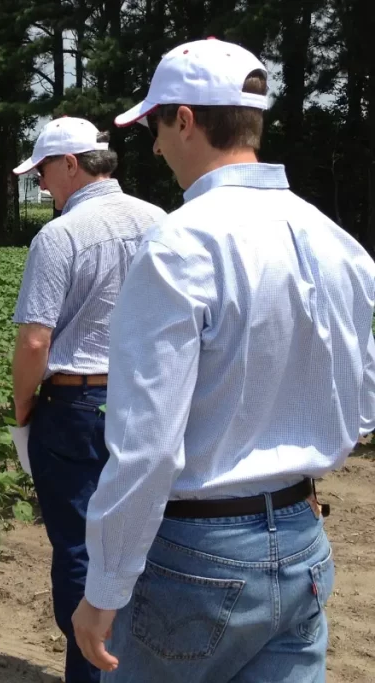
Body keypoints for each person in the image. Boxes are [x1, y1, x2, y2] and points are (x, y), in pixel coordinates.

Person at [72, 38, 375, 683]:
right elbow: (363, 402)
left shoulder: (180, 244)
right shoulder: (337, 241)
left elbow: (147, 447)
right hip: (303, 544)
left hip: (197, 556)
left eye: (156, 125)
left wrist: (104, 588)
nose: (153, 147)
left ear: (184, 119)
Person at [11, 116, 167, 683]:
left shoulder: (61, 235)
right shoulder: (161, 221)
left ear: (71, 164)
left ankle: (90, 670)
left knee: (81, 547)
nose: (43, 187)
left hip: (75, 407)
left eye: (44, 173)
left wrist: (24, 407)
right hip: (150, 399)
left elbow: (34, 341)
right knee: (144, 537)